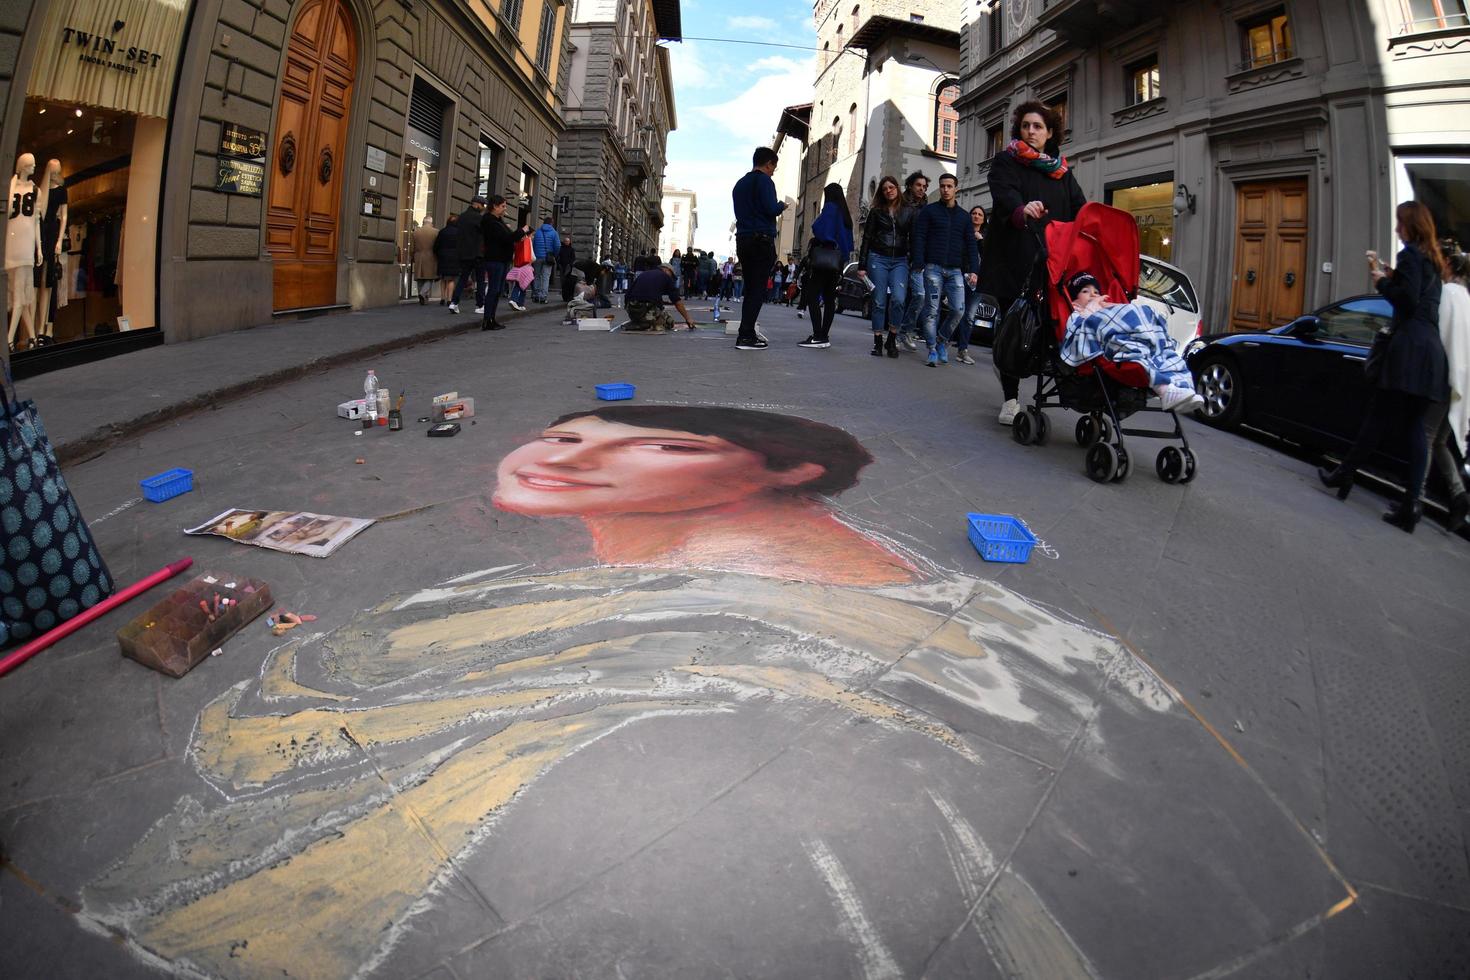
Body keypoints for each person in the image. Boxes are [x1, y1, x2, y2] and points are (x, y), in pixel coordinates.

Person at [1318, 201, 1450, 533]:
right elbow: (1418, 296)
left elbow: (1406, 301)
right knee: (1416, 429)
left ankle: (1345, 474)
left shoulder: (1410, 255)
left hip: (1408, 350)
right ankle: (1412, 505)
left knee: (1378, 416)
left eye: (1399, 224)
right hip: (1430, 352)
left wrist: (1380, 281)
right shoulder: (1432, 261)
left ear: (1410, 226)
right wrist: (1394, 278)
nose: (1396, 229)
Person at [983, 102, 1087, 422]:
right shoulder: (1006, 161)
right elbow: (1004, 193)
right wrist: (1021, 210)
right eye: (1026, 125)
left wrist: (1092, 228)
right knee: (1014, 330)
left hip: (1052, 264)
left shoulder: (1062, 173)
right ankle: (1010, 399)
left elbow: (1080, 209)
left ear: (1050, 133)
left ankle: (1069, 391)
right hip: (1013, 260)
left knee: (1055, 329)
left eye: (1038, 126)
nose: (1031, 131)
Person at [1060, 272, 1203, 411]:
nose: (1093, 295)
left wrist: (1111, 307)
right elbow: (1078, 331)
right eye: (1085, 291)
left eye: (1096, 292)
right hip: (1115, 343)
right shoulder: (1078, 314)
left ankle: (1182, 389)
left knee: (1160, 346)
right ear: (1075, 300)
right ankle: (1166, 389)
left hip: (1137, 338)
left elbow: (1126, 317)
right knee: (1140, 353)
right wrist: (1093, 309)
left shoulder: (1107, 307)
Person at [912, 174, 979, 367]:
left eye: (949, 186)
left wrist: (974, 270)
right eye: (942, 186)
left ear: (956, 188)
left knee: (958, 310)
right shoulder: (929, 211)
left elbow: (971, 246)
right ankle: (932, 349)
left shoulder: (964, 217)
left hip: (955, 271)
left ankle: (942, 340)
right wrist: (919, 262)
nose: (946, 189)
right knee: (932, 310)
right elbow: (920, 238)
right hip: (932, 267)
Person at [1429, 251, 1470, 531]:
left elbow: (1439, 333)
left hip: (1443, 377)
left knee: (1425, 435)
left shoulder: (1448, 294)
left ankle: (1414, 498)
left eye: (1444, 262)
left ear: (1451, 266)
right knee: (1439, 441)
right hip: (1460, 380)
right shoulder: (1466, 298)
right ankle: (1458, 495)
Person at [732, 146, 787, 350]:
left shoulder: (740, 184)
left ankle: (746, 332)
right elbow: (770, 208)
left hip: (743, 240)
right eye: (774, 167)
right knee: (757, 289)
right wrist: (781, 205)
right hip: (760, 240)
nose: (773, 171)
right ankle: (746, 335)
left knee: (751, 288)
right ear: (768, 164)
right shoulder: (765, 181)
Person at [857, 175, 911, 359]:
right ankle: (878, 340)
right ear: (882, 192)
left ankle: (892, 337)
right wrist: (862, 264)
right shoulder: (876, 212)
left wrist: (915, 260)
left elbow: (914, 237)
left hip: (900, 260)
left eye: (891, 187)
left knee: (899, 299)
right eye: (885, 188)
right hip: (878, 258)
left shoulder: (907, 210)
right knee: (879, 301)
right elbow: (867, 239)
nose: (888, 190)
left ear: (897, 188)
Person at [799, 183, 854, 349]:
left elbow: (820, 228)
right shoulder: (845, 214)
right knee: (830, 299)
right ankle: (824, 335)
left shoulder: (830, 208)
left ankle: (817, 335)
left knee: (812, 296)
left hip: (824, 258)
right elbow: (848, 243)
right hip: (836, 262)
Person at [478, 194, 529, 331]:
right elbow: (506, 238)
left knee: (497, 290)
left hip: (501, 259)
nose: (505, 209)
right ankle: (487, 320)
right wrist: (521, 231)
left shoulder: (497, 220)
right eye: (503, 206)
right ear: (494, 206)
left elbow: (507, 237)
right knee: (493, 290)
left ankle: (491, 319)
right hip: (495, 259)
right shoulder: (490, 221)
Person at [894, 172, 930, 350]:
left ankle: (905, 332)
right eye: (918, 185)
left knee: (919, 295)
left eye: (924, 187)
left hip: (917, 259)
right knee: (899, 299)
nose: (922, 189)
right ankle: (894, 334)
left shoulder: (926, 207)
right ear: (910, 186)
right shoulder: (901, 204)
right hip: (900, 256)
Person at [955, 204, 988, 365]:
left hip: (978, 281)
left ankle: (963, 349)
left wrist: (980, 239)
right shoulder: (963, 233)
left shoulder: (987, 236)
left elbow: (988, 257)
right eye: (973, 213)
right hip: (961, 275)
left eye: (980, 214)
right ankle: (942, 341)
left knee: (969, 316)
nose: (976, 216)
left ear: (984, 219)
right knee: (957, 311)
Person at [623, 263, 697, 333]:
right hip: (646, 309)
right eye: (671, 275)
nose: (671, 278)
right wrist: (688, 318)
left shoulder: (645, 273)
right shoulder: (665, 276)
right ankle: (645, 324)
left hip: (631, 309)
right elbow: (677, 301)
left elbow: (628, 294)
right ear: (666, 270)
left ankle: (638, 321)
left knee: (655, 312)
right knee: (669, 321)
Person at [448, 196, 487, 314]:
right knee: (480, 280)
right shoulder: (479, 218)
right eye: (482, 205)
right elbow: (484, 235)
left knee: (462, 278)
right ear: (476, 204)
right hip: (477, 254)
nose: (483, 207)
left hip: (464, 254)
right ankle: (480, 305)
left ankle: (454, 302)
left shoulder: (461, 217)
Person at [432, 214, 461, 307]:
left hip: (443, 257)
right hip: (454, 258)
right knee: (451, 279)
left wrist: (439, 254)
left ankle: (442, 298)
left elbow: (436, 246)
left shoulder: (442, 232)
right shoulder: (459, 232)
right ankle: (449, 299)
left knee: (443, 278)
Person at [530, 218, 561, 303]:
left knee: (537, 276)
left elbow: (533, 244)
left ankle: (536, 295)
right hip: (548, 258)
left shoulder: (538, 232)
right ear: (551, 223)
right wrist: (554, 254)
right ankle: (543, 297)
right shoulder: (554, 233)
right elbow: (558, 246)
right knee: (545, 277)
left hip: (537, 257)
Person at [410, 216, 439, 304]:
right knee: (430, 278)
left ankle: (422, 296)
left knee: (420, 278)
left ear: (423, 222)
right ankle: (423, 293)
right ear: (431, 222)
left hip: (418, 256)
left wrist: (412, 256)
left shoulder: (416, 232)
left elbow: (412, 247)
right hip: (431, 256)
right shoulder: (436, 232)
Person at [558, 234, 578, 303]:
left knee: (568, 282)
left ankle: (569, 296)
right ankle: (564, 296)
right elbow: (558, 257)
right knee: (563, 282)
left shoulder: (571, 249)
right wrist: (559, 264)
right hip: (562, 267)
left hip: (569, 268)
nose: (566, 242)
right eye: (565, 241)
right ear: (564, 242)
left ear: (569, 242)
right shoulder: (561, 248)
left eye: (568, 241)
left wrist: (570, 264)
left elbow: (573, 258)